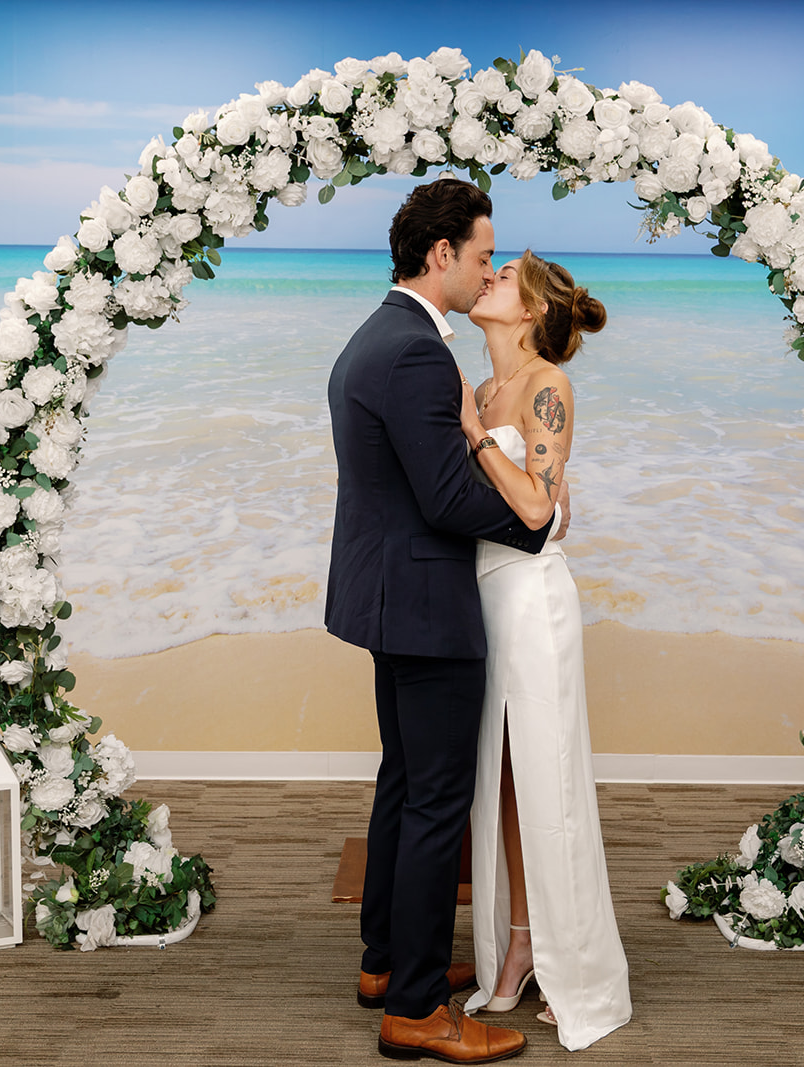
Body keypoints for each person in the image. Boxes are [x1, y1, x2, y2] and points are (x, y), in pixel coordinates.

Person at [325, 179, 568, 1064]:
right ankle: (420, 1008)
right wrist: (534, 528)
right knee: (435, 801)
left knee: (405, 782)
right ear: (442, 256)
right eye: (479, 254)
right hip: (426, 602)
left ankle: (388, 963)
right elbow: (446, 493)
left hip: (390, 594)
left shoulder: (375, 334)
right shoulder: (419, 352)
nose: (484, 269)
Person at [456, 252, 632, 1051]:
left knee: (549, 784)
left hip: (532, 602)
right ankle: (521, 943)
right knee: (502, 784)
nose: (487, 276)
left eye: (505, 275)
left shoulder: (546, 386)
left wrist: (473, 436)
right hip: (481, 600)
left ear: (527, 311)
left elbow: (534, 507)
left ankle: (582, 971)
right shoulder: (485, 387)